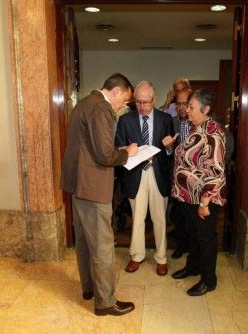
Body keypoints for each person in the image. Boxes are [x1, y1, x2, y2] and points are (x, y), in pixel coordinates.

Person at [61, 73, 138, 316]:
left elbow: (91, 146)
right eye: (124, 100)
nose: (124, 106)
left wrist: (119, 149)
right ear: (115, 92)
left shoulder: (84, 103)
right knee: (103, 246)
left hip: (78, 185)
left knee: (84, 241)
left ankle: (89, 288)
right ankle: (105, 302)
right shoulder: (102, 108)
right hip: (93, 188)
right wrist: (128, 153)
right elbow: (104, 156)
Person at [169, 89, 227, 296]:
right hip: (187, 196)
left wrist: (204, 204)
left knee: (206, 239)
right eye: (187, 106)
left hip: (203, 199)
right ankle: (193, 267)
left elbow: (215, 172)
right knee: (193, 235)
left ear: (206, 109)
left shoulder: (213, 133)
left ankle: (209, 280)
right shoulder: (197, 128)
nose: (187, 110)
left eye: (192, 107)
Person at [115, 80, 175, 276]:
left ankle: (161, 258)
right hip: (135, 175)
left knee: (159, 219)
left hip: (158, 175)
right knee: (138, 218)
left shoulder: (166, 119)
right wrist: (127, 150)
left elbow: (172, 152)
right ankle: (136, 255)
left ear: (154, 99)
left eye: (146, 102)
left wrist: (168, 148)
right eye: (138, 102)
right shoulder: (125, 120)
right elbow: (119, 148)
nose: (141, 106)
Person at [169, 88, 192, 259]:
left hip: (194, 180)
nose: (182, 107)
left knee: (192, 216)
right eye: (179, 104)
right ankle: (180, 246)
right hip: (177, 178)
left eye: (185, 104)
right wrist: (169, 149)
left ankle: (193, 248)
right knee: (178, 215)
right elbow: (165, 151)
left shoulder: (198, 124)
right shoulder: (171, 122)